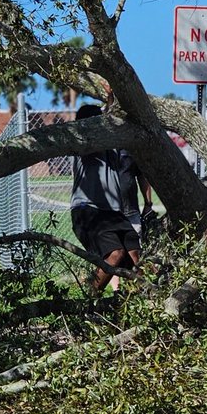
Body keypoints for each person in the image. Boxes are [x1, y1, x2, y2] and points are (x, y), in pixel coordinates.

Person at [70, 102, 154, 293]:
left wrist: (111, 99)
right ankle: (89, 298)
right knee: (115, 254)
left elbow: (116, 118)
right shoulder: (81, 144)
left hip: (114, 213)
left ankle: (138, 304)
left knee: (136, 258)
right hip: (88, 210)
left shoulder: (113, 144)